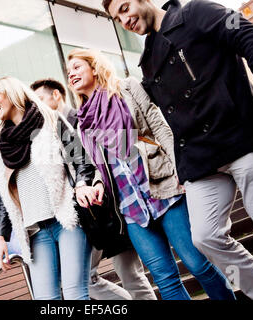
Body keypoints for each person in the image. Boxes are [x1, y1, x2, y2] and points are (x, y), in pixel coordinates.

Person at [104, 0, 253, 300]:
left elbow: (251, 36)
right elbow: (168, 121)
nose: (124, 20)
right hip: (201, 161)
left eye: (124, 8)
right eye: (116, 19)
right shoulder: (147, 60)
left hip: (242, 140)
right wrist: (182, 169)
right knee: (205, 238)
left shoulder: (196, 14)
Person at [67, 48, 236, 300]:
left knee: (198, 263)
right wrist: (100, 182)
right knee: (165, 279)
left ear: (94, 66)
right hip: (129, 205)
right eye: (68, 72)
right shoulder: (83, 121)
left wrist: (181, 167)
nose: (71, 75)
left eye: (77, 67)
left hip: (163, 187)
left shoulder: (126, 88)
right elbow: (101, 163)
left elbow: (159, 127)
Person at [30, 78, 157, 300]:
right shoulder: (48, 131)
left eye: (40, 99)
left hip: (116, 205)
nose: (36, 106)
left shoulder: (83, 119)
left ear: (56, 95)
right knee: (86, 277)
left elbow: (115, 152)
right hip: (86, 214)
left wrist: (96, 181)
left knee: (130, 274)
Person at [0, 76, 94, 300]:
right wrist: (1, 237)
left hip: (67, 220)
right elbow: (5, 192)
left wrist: (83, 185)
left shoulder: (51, 119)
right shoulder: (1, 144)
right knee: (47, 300)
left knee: (75, 293)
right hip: (36, 231)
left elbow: (81, 160)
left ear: (12, 93)